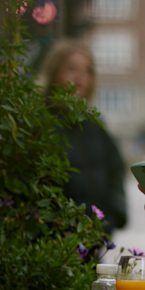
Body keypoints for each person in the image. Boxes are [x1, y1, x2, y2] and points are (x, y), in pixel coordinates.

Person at [40, 40, 127, 234]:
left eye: (87, 71)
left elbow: (116, 170)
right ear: (53, 72)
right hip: (53, 240)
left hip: (95, 237)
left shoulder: (95, 125)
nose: (80, 78)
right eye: (71, 69)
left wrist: (113, 217)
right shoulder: (39, 122)